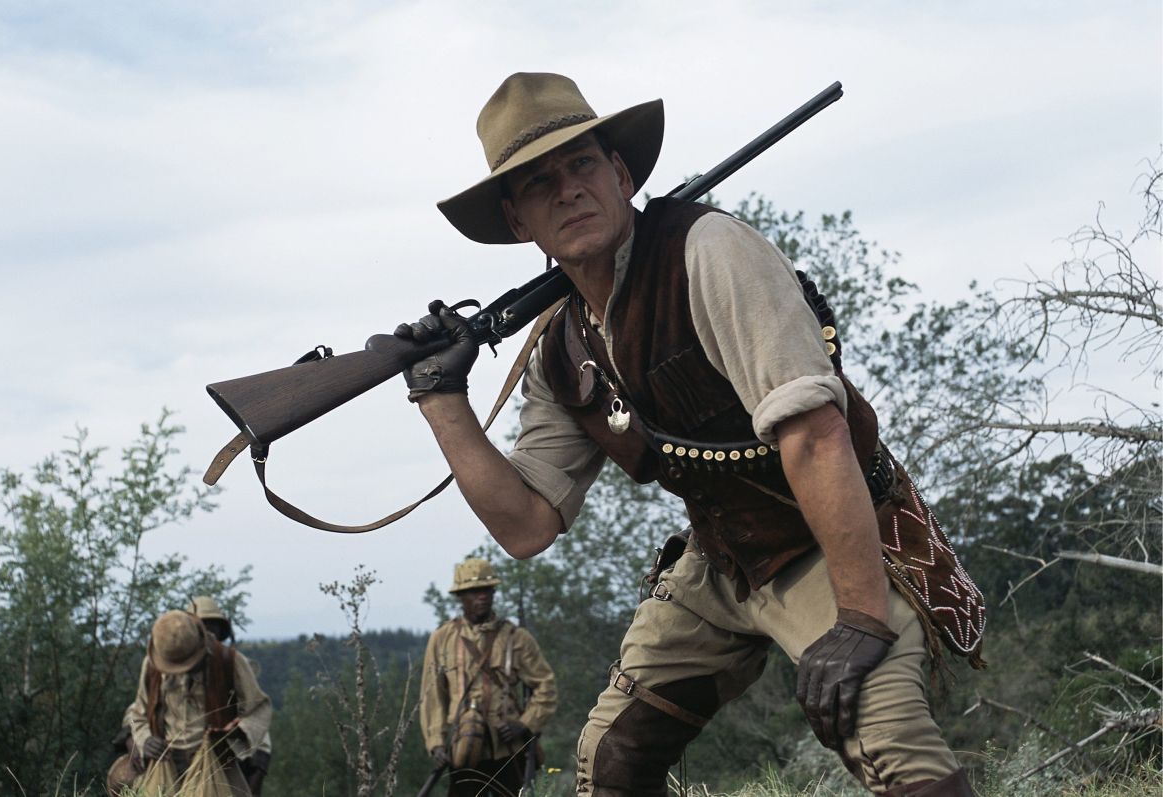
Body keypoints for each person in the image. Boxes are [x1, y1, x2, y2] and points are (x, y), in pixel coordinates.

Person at [395, 72, 986, 796]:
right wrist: (439, 397)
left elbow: (816, 435)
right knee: (608, 758)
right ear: (519, 221)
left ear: (618, 174)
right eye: (540, 182)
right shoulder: (561, 347)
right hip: (721, 560)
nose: (569, 189)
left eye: (582, 164)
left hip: (828, 541)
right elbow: (525, 524)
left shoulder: (708, 251)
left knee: (897, 752)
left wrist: (861, 615)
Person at [419, 558, 558, 796]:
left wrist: (525, 724)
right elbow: (432, 696)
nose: (482, 596)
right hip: (463, 750)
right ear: (461, 596)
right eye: (473, 591)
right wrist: (436, 743)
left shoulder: (517, 638)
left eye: (486, 589)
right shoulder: (442, 639)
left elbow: (546, 687)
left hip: (509, 751)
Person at [106, 609, 272, 796]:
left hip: (216, 765)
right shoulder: (152, 665)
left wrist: (235, 734)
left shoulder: (228, 661)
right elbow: (138, 713)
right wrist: (145, 739)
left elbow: (259, 708)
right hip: (165, 764)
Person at [187, 596, 273, 796]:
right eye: (201, 627)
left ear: (219, 631)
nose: (207, 633)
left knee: (261, 745)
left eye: (212, 627)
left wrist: (238, 730)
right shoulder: (170, 663)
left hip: (224, 744)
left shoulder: (231, 662)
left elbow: (256, 709)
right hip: (181, 745)